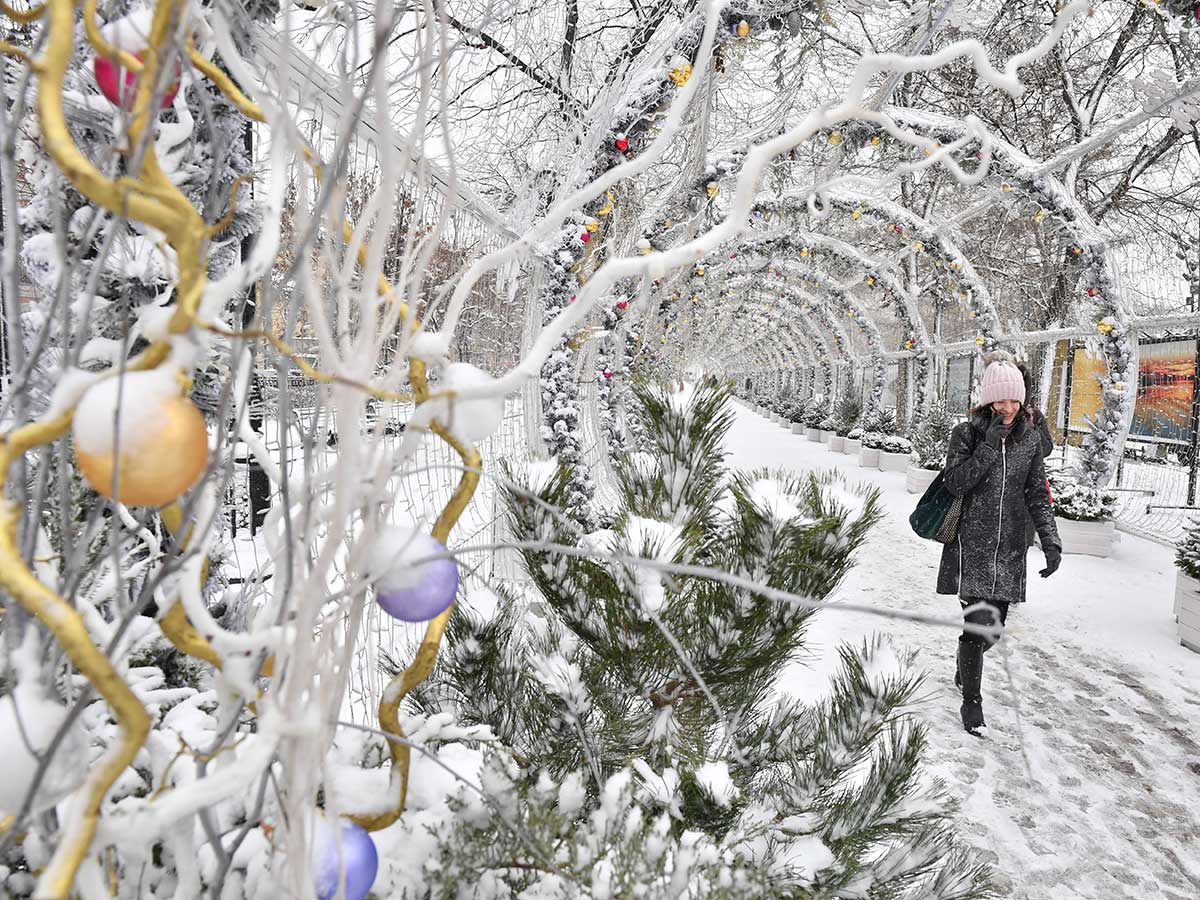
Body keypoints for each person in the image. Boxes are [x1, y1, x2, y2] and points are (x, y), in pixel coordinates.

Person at [937, 354, 1061, 736]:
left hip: (1009, 547)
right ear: (988, 400)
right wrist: (988, 447)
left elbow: (1037, 493)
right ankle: (972, 702)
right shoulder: (967, 433)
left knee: (993, 629)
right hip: (970, 545)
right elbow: (956, 483)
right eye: (1000, 401)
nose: (1007, 409)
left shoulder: (1029, 439)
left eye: (1014, 401)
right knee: (977, 627)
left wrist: (1051, 539)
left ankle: (964, 664)